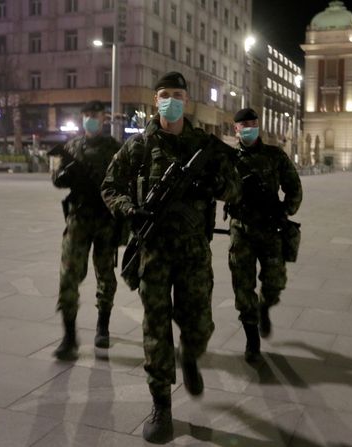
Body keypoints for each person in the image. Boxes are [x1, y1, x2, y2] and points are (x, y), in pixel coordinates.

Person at [101, 71, 241, 444]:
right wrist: (130, 210)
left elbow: (235, 187)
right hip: (154, 253)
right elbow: (110, 187)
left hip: (195, 252)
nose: (171, 101)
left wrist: (215, 184)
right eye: (165, 95)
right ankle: (161, 403)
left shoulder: (206, 145)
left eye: (177, 94)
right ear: (155, 101)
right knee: (155, 328)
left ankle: (191, 354)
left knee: (199, 324)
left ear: (187, 101)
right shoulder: (139, 146)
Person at [226, 108, 303, 363]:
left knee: (275, 282)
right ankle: (252, 340)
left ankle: (265, 306)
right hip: (241, 230)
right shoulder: (227, 158)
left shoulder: (274, 155)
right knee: (242, 287)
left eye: (252, 123)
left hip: (270, 229)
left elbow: (293, 185)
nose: (248, 127)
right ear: (236, 128)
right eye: (243, 124)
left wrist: (286, 209)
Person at [51, 100, 122, 361]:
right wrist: (66, 175)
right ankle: (69, 336)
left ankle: (103, 325)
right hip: (78, 220)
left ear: (105, 118)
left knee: (105, 273)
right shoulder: (70, 147)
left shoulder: (115, 148)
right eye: (87, 115)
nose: (92, 119)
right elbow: (56, 178)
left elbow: (123, 182)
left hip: (105, 219)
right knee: (68, 275)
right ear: (82, 118)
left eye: (96, 115)